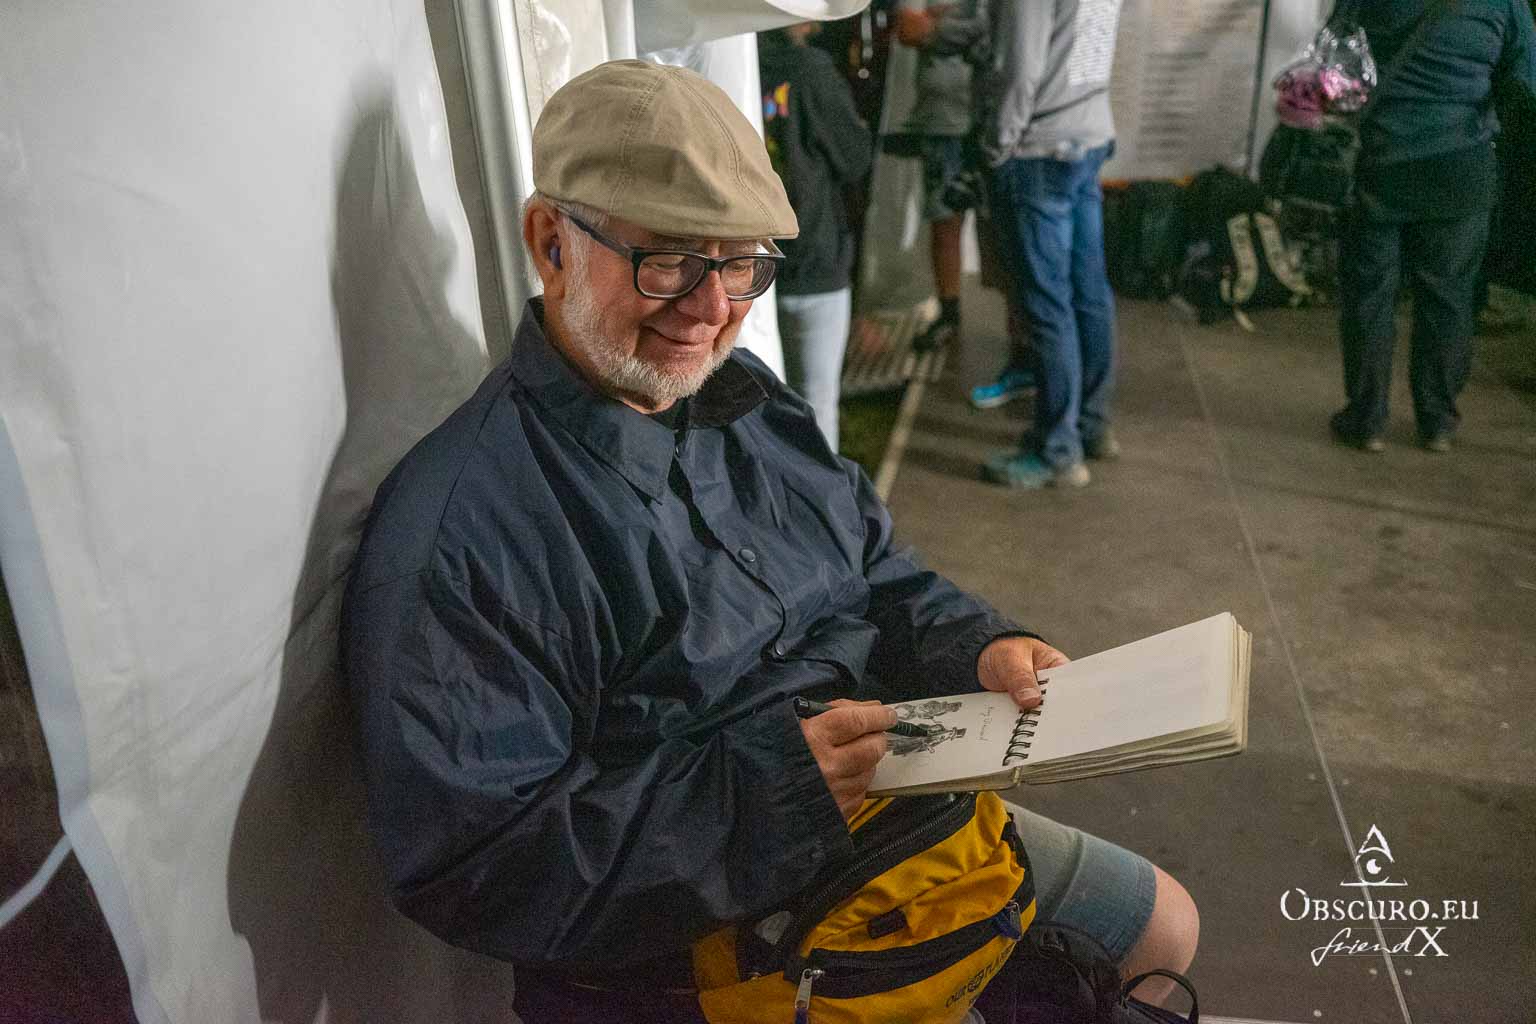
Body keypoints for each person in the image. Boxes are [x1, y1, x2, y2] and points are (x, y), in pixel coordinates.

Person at [340, 59, 1195, 1021]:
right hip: (702, 944)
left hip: (891, 821)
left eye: (741, 263)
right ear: (551, 243)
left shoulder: (748, 403)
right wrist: (773, 793)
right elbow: (480, 868)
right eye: (669, 260)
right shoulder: (468, 534)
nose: (712, 310)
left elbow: (877, 572)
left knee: (1162, 926)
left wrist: (981, 646)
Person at [1330, 0, 1536, 453]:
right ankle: (1437, 421)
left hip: (1381, 161)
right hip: (1461, 165)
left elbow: (1335, 67)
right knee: (1449, 296)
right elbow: (1524, 80)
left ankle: (1366, 420)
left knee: (1369, 294)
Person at [974, 0, 1125, 489]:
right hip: (1088, 136)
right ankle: (1091, 426)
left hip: (1040, 150)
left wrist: (997, 147)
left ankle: (1057, 450)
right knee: (1089, 293)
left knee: (1046, 305)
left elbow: (1019, 69)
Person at [759, 22, 874, 451]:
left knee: (754, 408)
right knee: (815, 406)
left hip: (743, 266)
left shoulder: (731, 56)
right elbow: (854, 156)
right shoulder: (810, 69)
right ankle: (816, 495)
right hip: (812, 259)